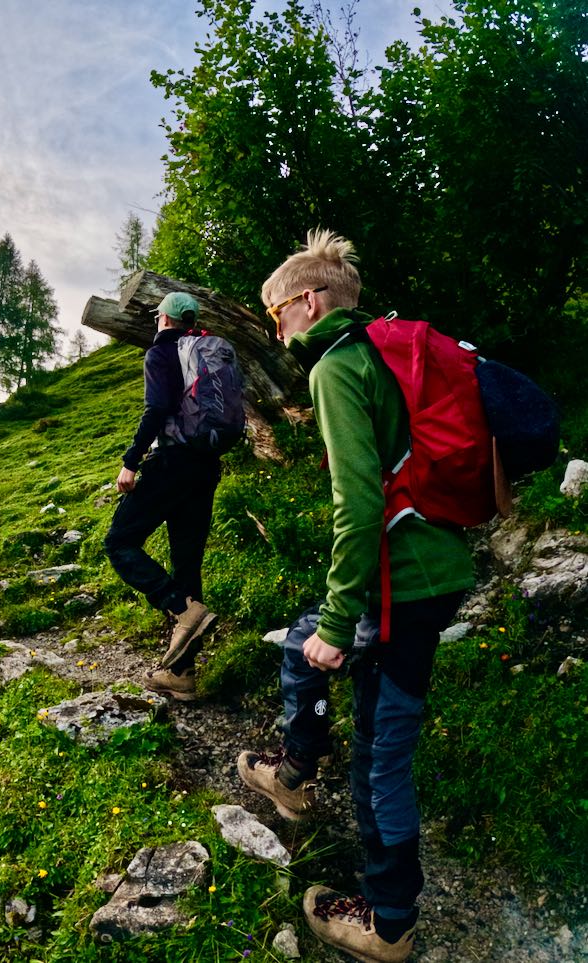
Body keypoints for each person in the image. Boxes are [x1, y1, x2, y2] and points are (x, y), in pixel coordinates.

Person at [236, 229, 473, 962]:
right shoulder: (382, 349)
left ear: (310, 301)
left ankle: (389, 922)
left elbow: (360, 502)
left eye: (276, 312)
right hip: (429, 569)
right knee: (306, 649)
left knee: (380, 758)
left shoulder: (338, 365)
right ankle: (296, 770)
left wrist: (340, 623)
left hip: (403, 585)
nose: (276, 328)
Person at [104, 290, 222, 701]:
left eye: (158, 317)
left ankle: (181, 608)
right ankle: (181, 675)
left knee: (119, 542)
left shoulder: (160, 353)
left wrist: (131, 461)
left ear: (165, 319)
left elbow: (156, 409)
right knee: (187, 565)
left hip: (171, 463)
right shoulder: (206, 353)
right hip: (206, 467)